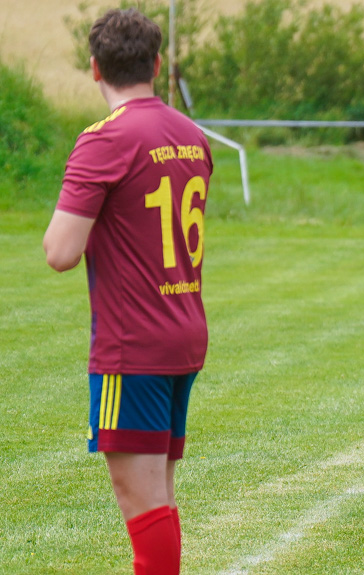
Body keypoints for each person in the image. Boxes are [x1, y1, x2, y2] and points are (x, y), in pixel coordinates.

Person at [43, 9, 212, 574]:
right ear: (157, 65)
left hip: (130, 347)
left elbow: (60, 252)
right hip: (182, 332)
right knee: (159, 497)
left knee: (142, 508)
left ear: (94, 68)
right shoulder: (191, 134)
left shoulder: (104, 139)